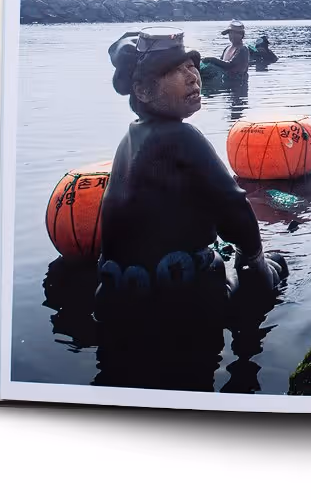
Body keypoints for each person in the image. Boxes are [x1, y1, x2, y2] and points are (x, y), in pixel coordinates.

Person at [95, 27, 287, 388]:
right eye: (176, 71)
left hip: (118, 299)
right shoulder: (183, 137)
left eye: (192, 66)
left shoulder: (130, 138)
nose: (192, 76)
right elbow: (234, 208)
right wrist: (254, 259)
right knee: (273, 266)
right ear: (142, 90)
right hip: (181, 304)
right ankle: (247, 364)